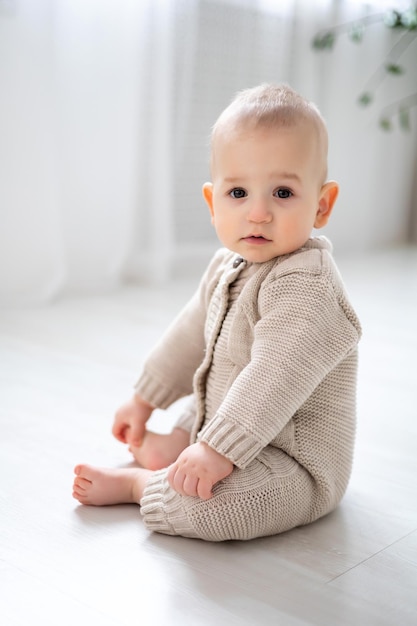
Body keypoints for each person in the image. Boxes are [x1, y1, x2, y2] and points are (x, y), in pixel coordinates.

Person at [72, 83, 362, 542]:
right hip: (229, 421)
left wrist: (217, 449)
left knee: (222, 507)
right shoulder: (228, 264)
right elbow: (189, 336)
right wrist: (144, 398)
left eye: (283, 192)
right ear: (213, 202)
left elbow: (273, 378)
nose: (259, 213)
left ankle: (140, 484)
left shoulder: (308, 287)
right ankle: (183, 442)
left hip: (292, 458)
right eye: (239, 192)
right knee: (209, 385)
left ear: (322, 205)